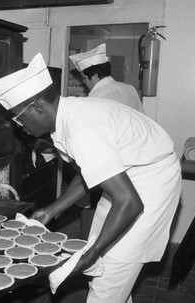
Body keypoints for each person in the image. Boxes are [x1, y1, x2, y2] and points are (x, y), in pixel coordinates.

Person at [0, 53, 181, 303]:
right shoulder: (67, 116)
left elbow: (131, 203)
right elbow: (89, 173)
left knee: (114, 261)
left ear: (37, 106)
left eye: (19, 117)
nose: (19, 125)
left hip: (151, 182)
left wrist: (93, 254)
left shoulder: (81, 128)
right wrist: (51, 210)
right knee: (103, 264)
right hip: (126, 176)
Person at [69, 43, 146, 239]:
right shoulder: (129, 89)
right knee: (124, 218)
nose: (85, 84)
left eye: (84, 79)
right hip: (136, 164)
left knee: (96, 212)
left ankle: (89, 246)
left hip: (107, 167)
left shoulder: (92, 102)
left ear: (93, 76)